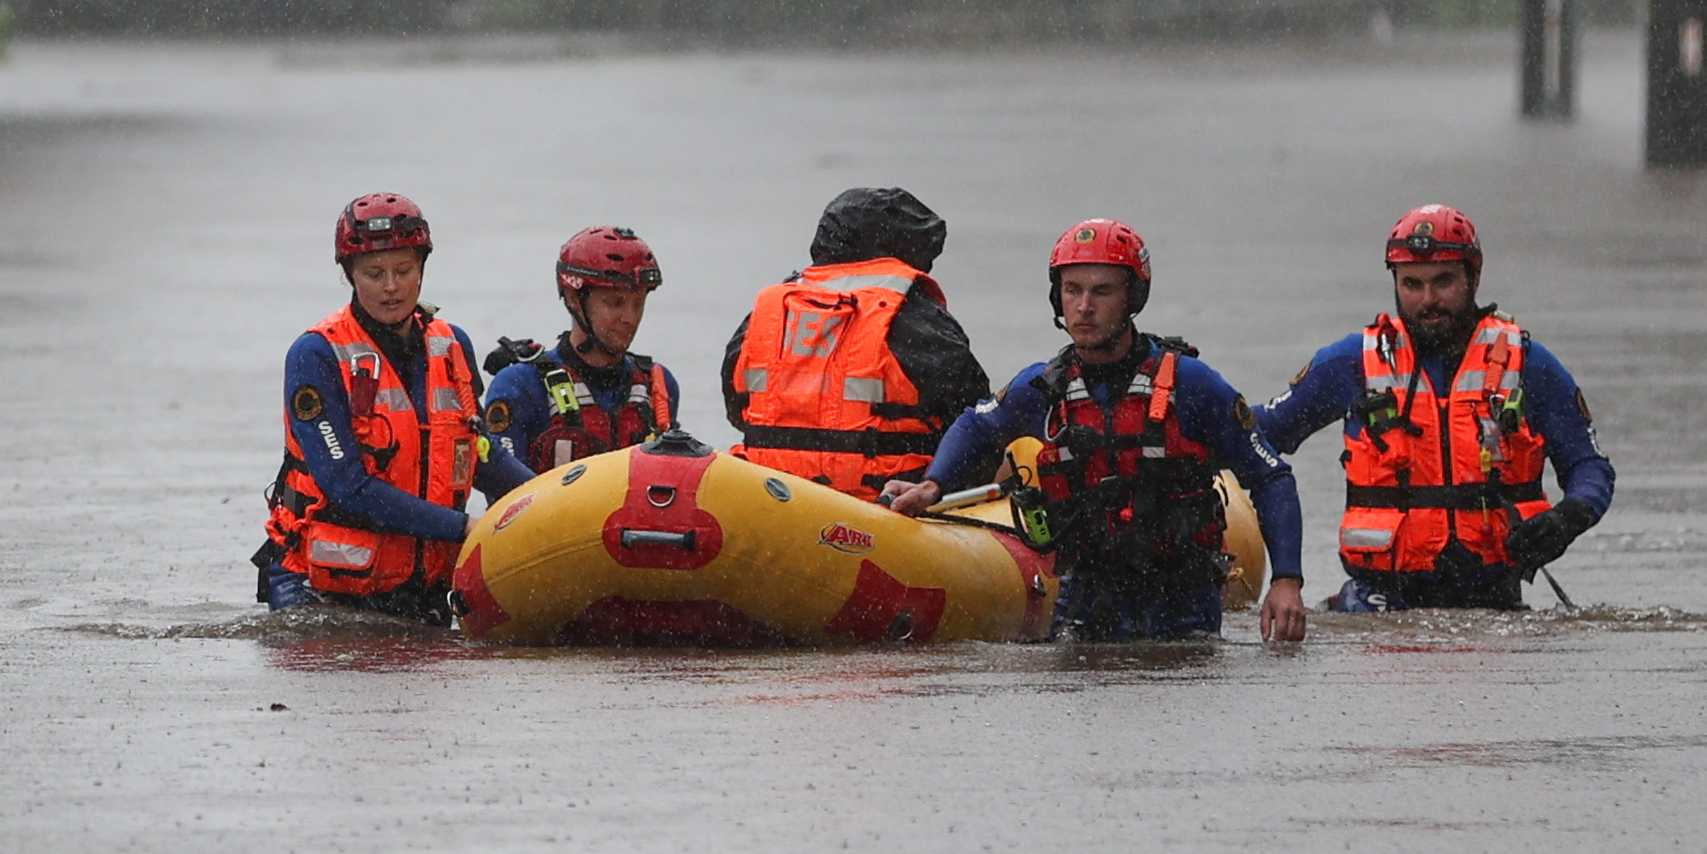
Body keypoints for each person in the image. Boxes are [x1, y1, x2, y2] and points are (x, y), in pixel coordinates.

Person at [885, 218, 1307, 644]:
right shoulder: (1044, 388)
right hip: (1086, 595)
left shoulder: (1191, 385)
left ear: (1132, 298)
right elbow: (977, 425)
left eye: (1102, 291)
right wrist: (933, 484)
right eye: (1072, 290)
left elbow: (1270, 476)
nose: (1084, 306)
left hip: (1182, 600)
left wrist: (1286, 581)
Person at [1255, 202, 1614, 612]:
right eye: (1412, 284)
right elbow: (1259, 434)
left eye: (1443, 282)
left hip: (1494, 597)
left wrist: (1566, 519)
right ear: (1395, 283)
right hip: (1378, 602)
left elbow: (1590, 465)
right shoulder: (1353, 362)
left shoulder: (1527, 365)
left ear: (1473, 278)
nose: (1428, 300)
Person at [255, 193, 532, 619]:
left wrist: (553, 500)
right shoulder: (316, 354)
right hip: (319, 588)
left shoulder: (452, 344)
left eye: (403, 271)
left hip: (422, 590)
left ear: (422, 268)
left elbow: (479, 453)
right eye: (373, 273)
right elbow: (346, 486)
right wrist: (464, 528)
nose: (390, 287)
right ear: (349, 276)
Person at [722, 185, 988, 495]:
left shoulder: (769, 310)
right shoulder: (912, 313)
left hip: (771, 496)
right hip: (882, 503)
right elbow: (974, 418)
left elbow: (736, 406)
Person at [480, 226, 692, 471]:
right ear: (573, 298)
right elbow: (504, 496)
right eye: (615, 303)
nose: (630, 318)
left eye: (638, 303)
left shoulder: (658, 385)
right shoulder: (521, 385)